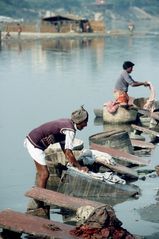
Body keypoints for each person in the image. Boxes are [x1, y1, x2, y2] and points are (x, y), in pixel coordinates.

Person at [24, 105, 89, 209]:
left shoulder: (67, 124)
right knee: (44, 174)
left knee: (42, 174)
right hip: (35, 144)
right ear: (80, 121)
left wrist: (73, 163)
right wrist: (79, 167)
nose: (86, 125)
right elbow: (68, 152)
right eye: (85, 122)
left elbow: (64, 149)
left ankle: (39, 199)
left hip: (32, 139)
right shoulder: (70, 130)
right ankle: (40, 203)